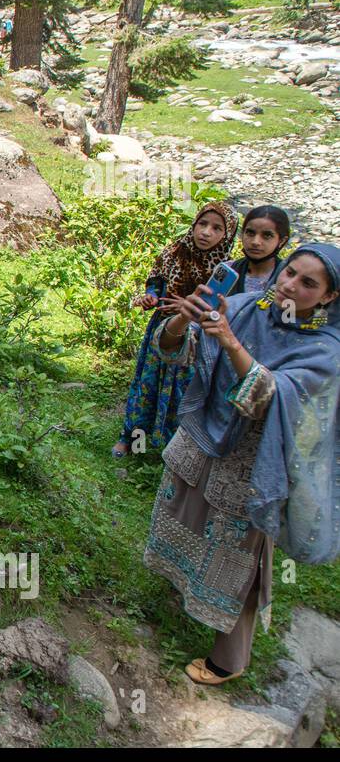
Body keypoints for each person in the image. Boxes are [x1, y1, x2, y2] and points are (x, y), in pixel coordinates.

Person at [144, 244, 340, 685]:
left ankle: (229, 659)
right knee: (187, 518)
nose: (289, 285)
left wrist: (230, 342)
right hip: (201, 441)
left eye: (309, 283)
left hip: (252, 463)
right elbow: (174, 353)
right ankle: (182, 599)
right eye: (290, 273)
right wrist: (182, 319)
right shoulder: (246, 305)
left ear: (328, 298)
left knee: (238, 556)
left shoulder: (326, 351)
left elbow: (269, 399)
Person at [113, 200, 239, 458]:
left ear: (228, 235)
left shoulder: (228, 270)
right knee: (147, 383)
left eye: (217, 228)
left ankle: (171, 451)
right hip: (162, 330)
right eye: (202, 224)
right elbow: (156, 283)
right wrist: (150, 297)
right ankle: (131, 439)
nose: (206, 232)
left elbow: (225, 310)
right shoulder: (174, 251)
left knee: (182, 393)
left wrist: (190, 307)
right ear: (194, 224)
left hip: (196, 338)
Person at [229, 204, 290, 296]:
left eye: (267, 235)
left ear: (281, 241)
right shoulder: (228, 271)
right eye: (250, 233)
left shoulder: (289, 279)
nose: (255, 242)